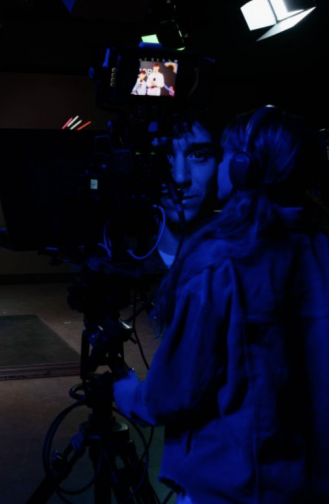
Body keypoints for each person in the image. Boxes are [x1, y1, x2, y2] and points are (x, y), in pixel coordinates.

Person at [114, 107, 329, 504]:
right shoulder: (320, 247)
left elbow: (172, 394)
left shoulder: (219, 262)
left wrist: (126, 393)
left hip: (236, 487)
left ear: (243, 167)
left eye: (218, 154)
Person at [150, 111, 220, 270]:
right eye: (163, 156)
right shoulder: (115, 253)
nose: (180, 178)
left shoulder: (240, 264)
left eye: (198, 155)